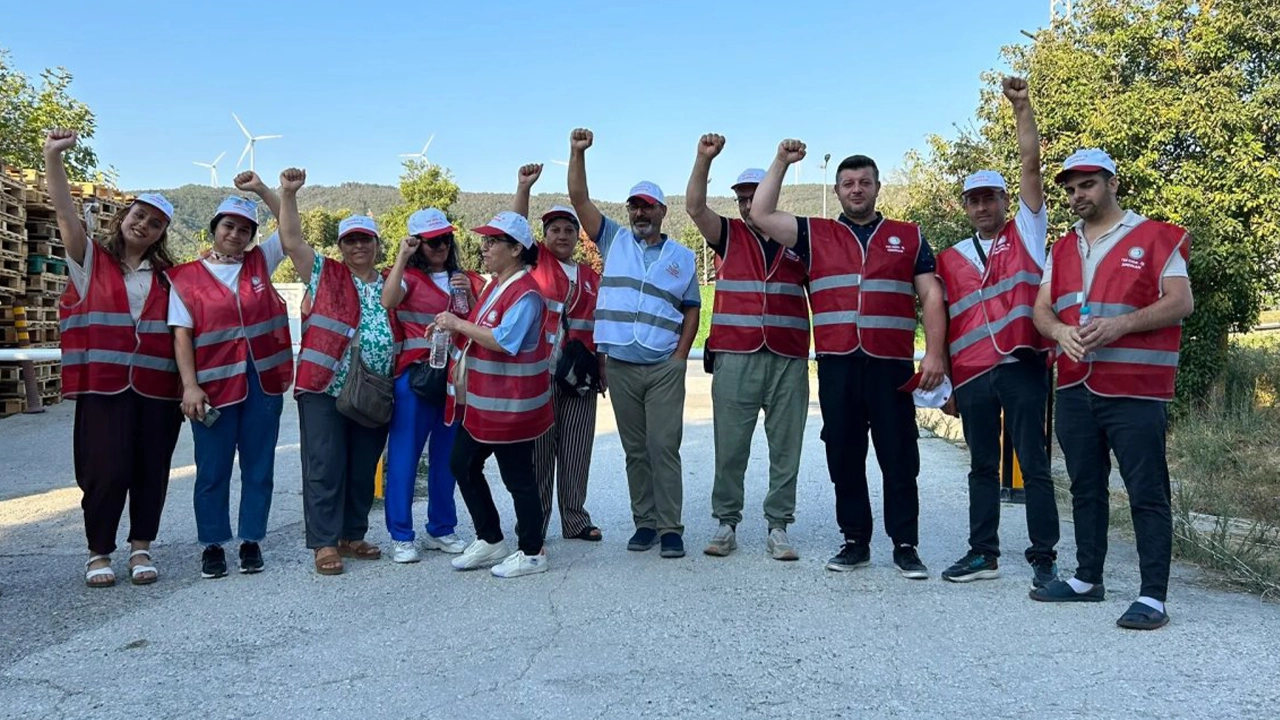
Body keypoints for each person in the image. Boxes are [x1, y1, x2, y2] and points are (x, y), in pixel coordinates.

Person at [750, 139, 948, 580]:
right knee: (844, 454)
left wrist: (935, 353)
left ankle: (905, 545)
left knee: (899, 457)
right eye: (847, 184)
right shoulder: (816, 233)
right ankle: (855, 541)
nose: (856, 189)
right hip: (838, 363)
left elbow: (931, 294)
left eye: (864, 182)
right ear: (837, 191)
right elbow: (761, 214)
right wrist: (782, 161)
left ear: (878, 187)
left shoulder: (909, 236)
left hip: (890, 364)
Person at [1031, 148, 1193, 630]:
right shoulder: (1060, 248)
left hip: (1136, 388)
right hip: (1076, 386)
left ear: (1112, 183)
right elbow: (1042, 310)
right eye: (1071, 188)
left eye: (1088, 185)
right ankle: (1087, 578)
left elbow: (1180, 301)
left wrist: (1118, 327)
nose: (1078, 195)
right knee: (1085, 485)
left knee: (1146, 491)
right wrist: (1059, 333)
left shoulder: (1158, 236)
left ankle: (1153, 596)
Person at [934, 77, 1060, 588]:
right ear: (965, 207)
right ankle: (982, 553)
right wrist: (944, 385)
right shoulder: (949, 258)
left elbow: (1031, 164)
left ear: (1006, 201)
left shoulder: (1026, 232)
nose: (983, 207)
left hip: (1021, 365)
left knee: (1034, 463)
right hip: (972, 375)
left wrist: (1022, 108)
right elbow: (940, 321)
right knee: (982, 465)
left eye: (990, 198)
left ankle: (1043, 557)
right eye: (974, 200)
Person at [45, 129, 184, 587]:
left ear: (162, 234)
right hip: (103, 387)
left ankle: (141, 547)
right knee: (104, 471)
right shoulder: (90, 261)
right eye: (139, 215)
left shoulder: (169, 279)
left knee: (150, 470)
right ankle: (98, 551)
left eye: (155, 222)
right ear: (125, 216)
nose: (143, 225)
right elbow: (66, 214)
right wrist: (54, 158)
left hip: (158, 391)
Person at [566, 128, 700, 559]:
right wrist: (577, 153)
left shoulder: (682, 256)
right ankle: (645, 523)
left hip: (663, 366)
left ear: (662, 210)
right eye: (634, 206)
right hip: (620, 365)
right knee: (636, 450)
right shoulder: (614, 239)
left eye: (647, 206)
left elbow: (692, 308)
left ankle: (671, 527)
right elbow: (579, 199)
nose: (639, 213)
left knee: (665, 446)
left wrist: (680, 358)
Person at [683, 133, 810, 561]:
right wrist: (703, 160)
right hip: (736, 356)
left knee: (786, 446)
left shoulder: (798, 238)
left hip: (788, 357)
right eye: (740, 198)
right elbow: (695, 207)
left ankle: (779, 526)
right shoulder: (728, 236)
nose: (745, 205)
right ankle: (726, 523)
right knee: (730, 445)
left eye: (753, 196)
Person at [268, 169, 395, 575]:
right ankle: (324, 542)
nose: (359, 245)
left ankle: (352, 533)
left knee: (363, 465)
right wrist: (287, 194)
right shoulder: (325, 272)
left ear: (377, 244)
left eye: (365, 238)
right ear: (341, 246)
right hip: (324, 386)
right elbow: (291, 240)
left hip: (374, 389)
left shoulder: (393, 280)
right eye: (351, 239)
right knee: (324, 463)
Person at [167, 173, 292, 579]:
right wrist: (189, 385)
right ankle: (213, 544)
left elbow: (290, 227)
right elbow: (182, 335)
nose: (236, 235)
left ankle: (252, 540)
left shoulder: (261, 262)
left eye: (244, 229)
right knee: (213, 467)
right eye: (228, 226)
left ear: (253, 236)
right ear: (214, 229)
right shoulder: (184, 278)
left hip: (262, 383)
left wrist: (265, 191)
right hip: (213, 387)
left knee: (258, 466)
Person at [440, 212, 552, 578]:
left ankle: (532, 551)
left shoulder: (527, 293)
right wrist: (449, 327)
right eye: (484, 241)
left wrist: (457, 323)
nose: (484, 247)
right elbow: (478, 330)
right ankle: (490, 538)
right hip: (485, 405)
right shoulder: (495, 285)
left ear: (517, 249)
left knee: (517, 477)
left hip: (511, 406)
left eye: (493, 242)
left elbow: (505, 341)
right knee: (463, 463)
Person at [381, 208, 483, 563]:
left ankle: (441, 528)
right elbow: (388, 300)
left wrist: (469, 294)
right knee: (405, 456)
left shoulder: (463, 278)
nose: (439, 246)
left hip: (454, 379)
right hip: (417, 378)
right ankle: (401, 534)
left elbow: (480, 321)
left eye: (444, 239)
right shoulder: (407, 277)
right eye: (431, 241)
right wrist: (401, 257)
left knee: (447, 458)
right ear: (417, 243)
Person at [511, 163, 605, 542]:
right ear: (543, 235)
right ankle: (535, 520)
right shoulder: (535, 262)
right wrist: (523, 189)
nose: (562, 235)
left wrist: (603, 370)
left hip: (579, 375)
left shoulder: (591, 275)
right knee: (538, 451)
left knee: (577, 451)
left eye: (569, 229)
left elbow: (600, 326)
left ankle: (575, 518)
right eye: (555, 229)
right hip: (539, 372)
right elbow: (514, 227)